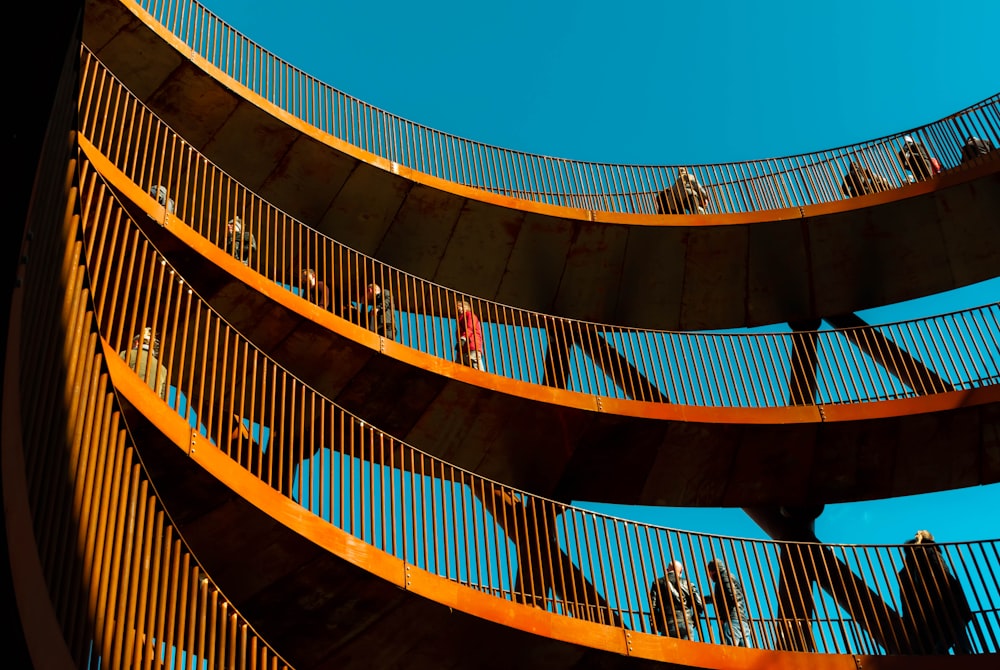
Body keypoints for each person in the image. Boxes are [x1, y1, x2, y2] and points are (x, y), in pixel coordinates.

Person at [896, 529, 973, 654]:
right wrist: (958, 597)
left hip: (922, 611)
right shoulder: (931, 552)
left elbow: (905, 597)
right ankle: (962, 653)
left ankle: (940, 654)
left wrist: (908, 618)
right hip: (944, 601)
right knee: (956, 625)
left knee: (940, 634)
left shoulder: (905, 571)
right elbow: (944, 574)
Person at [649, 560, 704, 639]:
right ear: (681, 571)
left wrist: (659, 624)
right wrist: (694, 620)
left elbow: (652, 607)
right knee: (687, 650)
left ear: (667, 570)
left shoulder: (658, 583)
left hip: (667, 623)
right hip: (686, 622)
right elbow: (699, 604)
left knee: (669, 651)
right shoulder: (688, 584)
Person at [704, 560, 752, 647]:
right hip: (742, 621)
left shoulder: (723, 577)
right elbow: (722, 596)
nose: (709, 576)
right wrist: (704, 599)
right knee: (745, 655)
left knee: (729, 654)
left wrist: (723, 617)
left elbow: (731, 597)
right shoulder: (730, 577)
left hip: (732, 621)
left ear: (713, 571)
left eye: (709, 573)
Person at [119, 327, 169, 400]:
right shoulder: (163, 369)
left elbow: (117, 376)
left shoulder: (128, 354)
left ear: (136, 342)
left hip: (129, 399)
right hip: (151, 407)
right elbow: (163, 398)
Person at [455, 300, 486, 371]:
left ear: (466, 307)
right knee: (459, 369)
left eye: (460, 306)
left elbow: (470, 327)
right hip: (463, 350)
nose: (459, 309)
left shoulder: (469, 315)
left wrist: (463, 338)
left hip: (472, 346)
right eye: (458, 307)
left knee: (476, 367)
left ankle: (484, 380)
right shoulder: (460, 320)